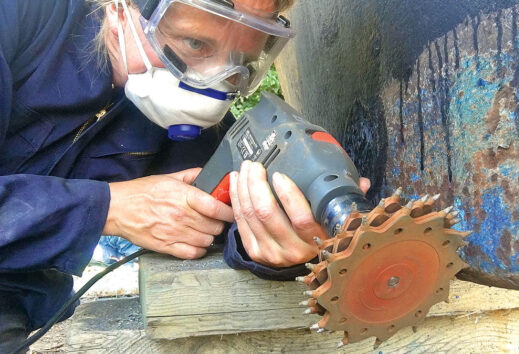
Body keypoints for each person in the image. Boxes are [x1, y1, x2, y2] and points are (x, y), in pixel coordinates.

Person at [0, 0, 370, 351]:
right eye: (195, 44)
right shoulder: (21, 16)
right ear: (121, 9)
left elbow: (217, 225)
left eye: (240, 61)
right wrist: (108, 208)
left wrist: (273, 244)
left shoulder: (187, 130)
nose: (214, 81)